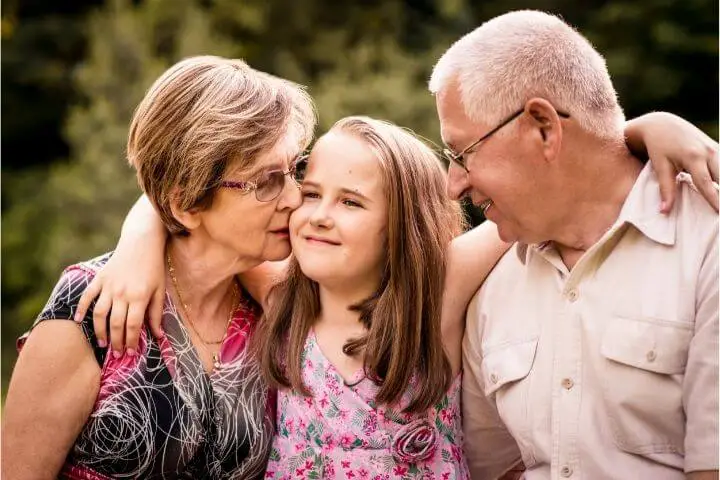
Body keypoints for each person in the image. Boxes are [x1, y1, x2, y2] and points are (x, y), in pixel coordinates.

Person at [429, 10, 719, 479]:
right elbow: (492, 469)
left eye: (462, 153)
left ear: (543, 126)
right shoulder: (492, 284)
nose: (453, 184)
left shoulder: (707, 244)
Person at [1, 55, 316, 479]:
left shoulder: (280, 299)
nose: (294, 198)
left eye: (295, 170)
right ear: (186, 202)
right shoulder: (91, 305)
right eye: (267, 181)